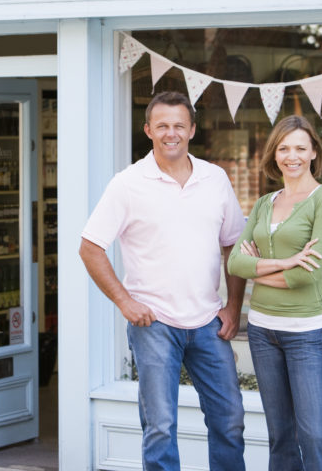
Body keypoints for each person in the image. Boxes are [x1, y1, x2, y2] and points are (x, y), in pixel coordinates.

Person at [79, 91, 247, 471]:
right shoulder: (128, 183)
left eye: (178, 125)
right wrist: (126, 302)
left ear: (191, 130)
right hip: (153, 324)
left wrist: (233, 307)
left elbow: (233, 247)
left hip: (208, 323)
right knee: (160, 427)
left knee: (230, 420)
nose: (171, 133)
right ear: (148, 130)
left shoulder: (214, 178)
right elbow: (90, 247)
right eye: (162, 126)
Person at [228, 115, 322, 470]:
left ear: (313, 153)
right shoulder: (264, 202)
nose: (291, 156)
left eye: (300, 148)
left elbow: (308, 276)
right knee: (280, 436)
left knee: (313, 435)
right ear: (274, 154)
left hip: (305, 332)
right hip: (262, 331)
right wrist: (288, 261)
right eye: (284, 148)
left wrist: (260, 270)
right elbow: (234, 264)